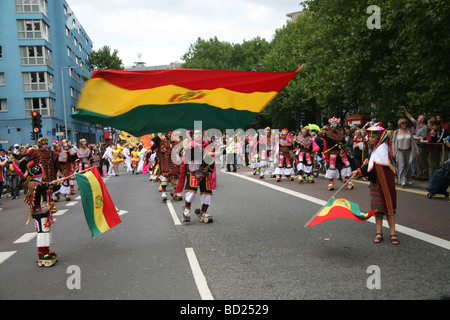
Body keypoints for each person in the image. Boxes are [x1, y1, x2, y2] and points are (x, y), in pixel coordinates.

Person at [351, 124, 398, 245]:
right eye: (369, 136)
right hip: (376, 183)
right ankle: (379, 233)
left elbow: (376, 166)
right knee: (378, 209)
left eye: (372, 136)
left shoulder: (382, 148)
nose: (369, 138)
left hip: (384, 183)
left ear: (378, 137)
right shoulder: (375, 149)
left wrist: (359, 171)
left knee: (389, 208)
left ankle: (393, 233)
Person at [23, 161, 63, 267]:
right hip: (38, 212)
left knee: (45, 231)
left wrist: (59, 183)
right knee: (42, 232)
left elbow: (49, 188)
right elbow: (41, 188)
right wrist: (51, 183)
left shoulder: (40, 183)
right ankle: (42, 254)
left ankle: (46, 250)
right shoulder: (32, 183)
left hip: (43, 211)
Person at [174, 130, 216, 224]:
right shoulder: (188, 145)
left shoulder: (208, 145)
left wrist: (208, 168)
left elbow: (212, 159)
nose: (198, 135)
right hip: (193, 172)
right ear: (193, 136)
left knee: (207, 193)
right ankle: (186, 209)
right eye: (196, 134)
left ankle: (203, 211)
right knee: (191, 192)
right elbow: (185, 156)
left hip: (205, 173)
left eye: (200, 134)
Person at [321, 118, 354, 190]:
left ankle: (346, 180)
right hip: (333, 153)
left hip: (341, 152)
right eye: (332, 126)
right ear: (330, 126)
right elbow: (322, 136)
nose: (333, 127)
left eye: (335, 126)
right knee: (332, 167)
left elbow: (344, 143)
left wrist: (347, 150)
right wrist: (320, 133)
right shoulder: (327, 134)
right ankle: (330, 182)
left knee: (346, 164)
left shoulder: (340, 134)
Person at [401, 106, 429, 180]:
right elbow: (411, 118)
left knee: (422, 160)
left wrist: (413, 136)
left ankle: (425, 175)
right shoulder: (417, 125)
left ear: (422, 120)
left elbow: (422, 137)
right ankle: (419, 174)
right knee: (417, 160)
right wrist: (405, 111)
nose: (417, 118)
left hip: (421, 145)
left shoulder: (425, 127)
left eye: (419, 118)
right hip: (416, 145)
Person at [392, 118, 417, 187]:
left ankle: (408, 179)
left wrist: (416, 149)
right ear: (400, 124)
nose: (404, 125)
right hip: (399, 150)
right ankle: (402, 180)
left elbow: (413, 141)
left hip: (408, 150)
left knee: (408, 165)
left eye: (405, 123)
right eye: (403, 123)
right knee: (401, 165)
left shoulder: (409, 131)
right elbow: (393, 142)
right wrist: (393, 151)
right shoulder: (396, 132)